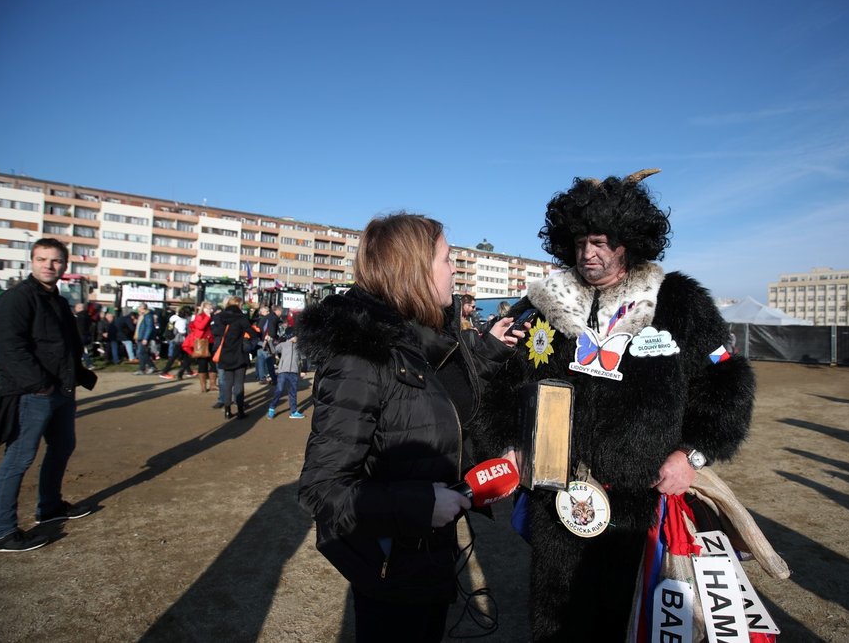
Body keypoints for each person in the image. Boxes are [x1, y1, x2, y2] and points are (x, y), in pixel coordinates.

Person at [471, 170, 756, 640]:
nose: (589, 254)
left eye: (601, 241)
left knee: (624, 621)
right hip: (554, 497)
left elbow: (728, 383)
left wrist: (692, 455)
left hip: (641, 501)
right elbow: (502, 383)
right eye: (581, 241)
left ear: (627, 243)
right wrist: (505, 442)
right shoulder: (544, 304)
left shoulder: (677, 301)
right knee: (555, 619)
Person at [296, 213, 523, 643]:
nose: (456, 270)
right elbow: (322, 490)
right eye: (447, 259)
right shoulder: (360, 357)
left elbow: (444, 409)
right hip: (391, 573)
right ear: (413, 270)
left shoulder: (422, 341)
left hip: (429, 559)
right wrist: (419, 504)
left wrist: (495, 465)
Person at [0, 238, 97, 552]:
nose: (49, 266)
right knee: (18, 459)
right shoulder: (17, 298)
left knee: (62, 446)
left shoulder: (58, 301)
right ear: (32, 262)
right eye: (42, 259)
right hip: (31, 393)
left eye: (56, 261)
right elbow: (10, 349)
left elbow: (65, 346)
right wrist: (39, 385)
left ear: (65, 264)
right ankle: (2, 532)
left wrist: (76, 375)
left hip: (61, 390)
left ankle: (49, 507)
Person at [212, 296, 256, 419]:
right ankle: (240, 411)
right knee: (238, 384)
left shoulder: (220, 317)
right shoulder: (241, 318)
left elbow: (215, 332)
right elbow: (253, 334)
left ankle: (227, 410)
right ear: (238, 304)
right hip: (239, 354)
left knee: (227, 383)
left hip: (224, 354)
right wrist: (247, 345)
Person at [266, 326, 305, 420]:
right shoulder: (283, 345)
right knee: (279, 390)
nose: (297, 338)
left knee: (293, 392)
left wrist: (302, 370)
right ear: (291, 336)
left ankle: (293, 411)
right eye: (296, 336)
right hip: (283, 371)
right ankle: (272, 408)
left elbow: (302, 358)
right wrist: (270, 341)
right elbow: (273, 351)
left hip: (294, 372)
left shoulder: (299, 346)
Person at [182, 301, 217, 395]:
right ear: (204, 308)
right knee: (202, 364)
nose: (210, 310)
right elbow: (200, 327)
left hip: (212, 342)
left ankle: (213, 384)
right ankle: (203, 386)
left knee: (213, 363)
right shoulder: (200, 316)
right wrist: (207, 316)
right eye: (208, 308)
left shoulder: (214, 317)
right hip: (202, 343)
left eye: (211, 308)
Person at [159, 305, 192, 379]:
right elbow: (182, 332)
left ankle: (189, 371)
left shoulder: (174, 317)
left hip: (173, 338)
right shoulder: (182, 320)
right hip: (180, 340)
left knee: (185, 356)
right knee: (174, 357)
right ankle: (164, 371)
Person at [133, 303, 159, 375]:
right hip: (140, 337)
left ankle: (143, 369)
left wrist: (145, 338)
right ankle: (151, 367)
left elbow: (149, 327)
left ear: (143, 308)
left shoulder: (147, 316)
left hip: (143, 337)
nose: (138, 309)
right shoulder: (142, 316)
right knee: (142, 353)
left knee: (141, 353)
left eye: (139, 307)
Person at [75, 302, 95, 370]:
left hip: (79, 336)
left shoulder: (78, 317)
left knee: (79, 351)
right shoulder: (88, 316)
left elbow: (78, 328)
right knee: (82, 351)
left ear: (79, 308)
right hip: (86, 335)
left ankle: (89, 364)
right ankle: (88, 364)